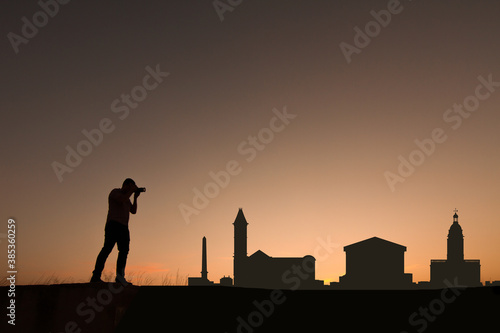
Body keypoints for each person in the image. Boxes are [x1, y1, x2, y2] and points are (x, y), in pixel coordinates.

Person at [90, 178, 142, 284]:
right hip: (113, 225)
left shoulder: (127, 198)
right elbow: (121, 200)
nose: (132, 188)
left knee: (123, 252)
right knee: (107, 249)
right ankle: (96, 276)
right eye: (131, 186)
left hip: (124, 227)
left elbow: (133, 211)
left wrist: (135, 198)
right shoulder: (115, 192)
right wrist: (131, 191)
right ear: (126, 185)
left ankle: (120, 277)